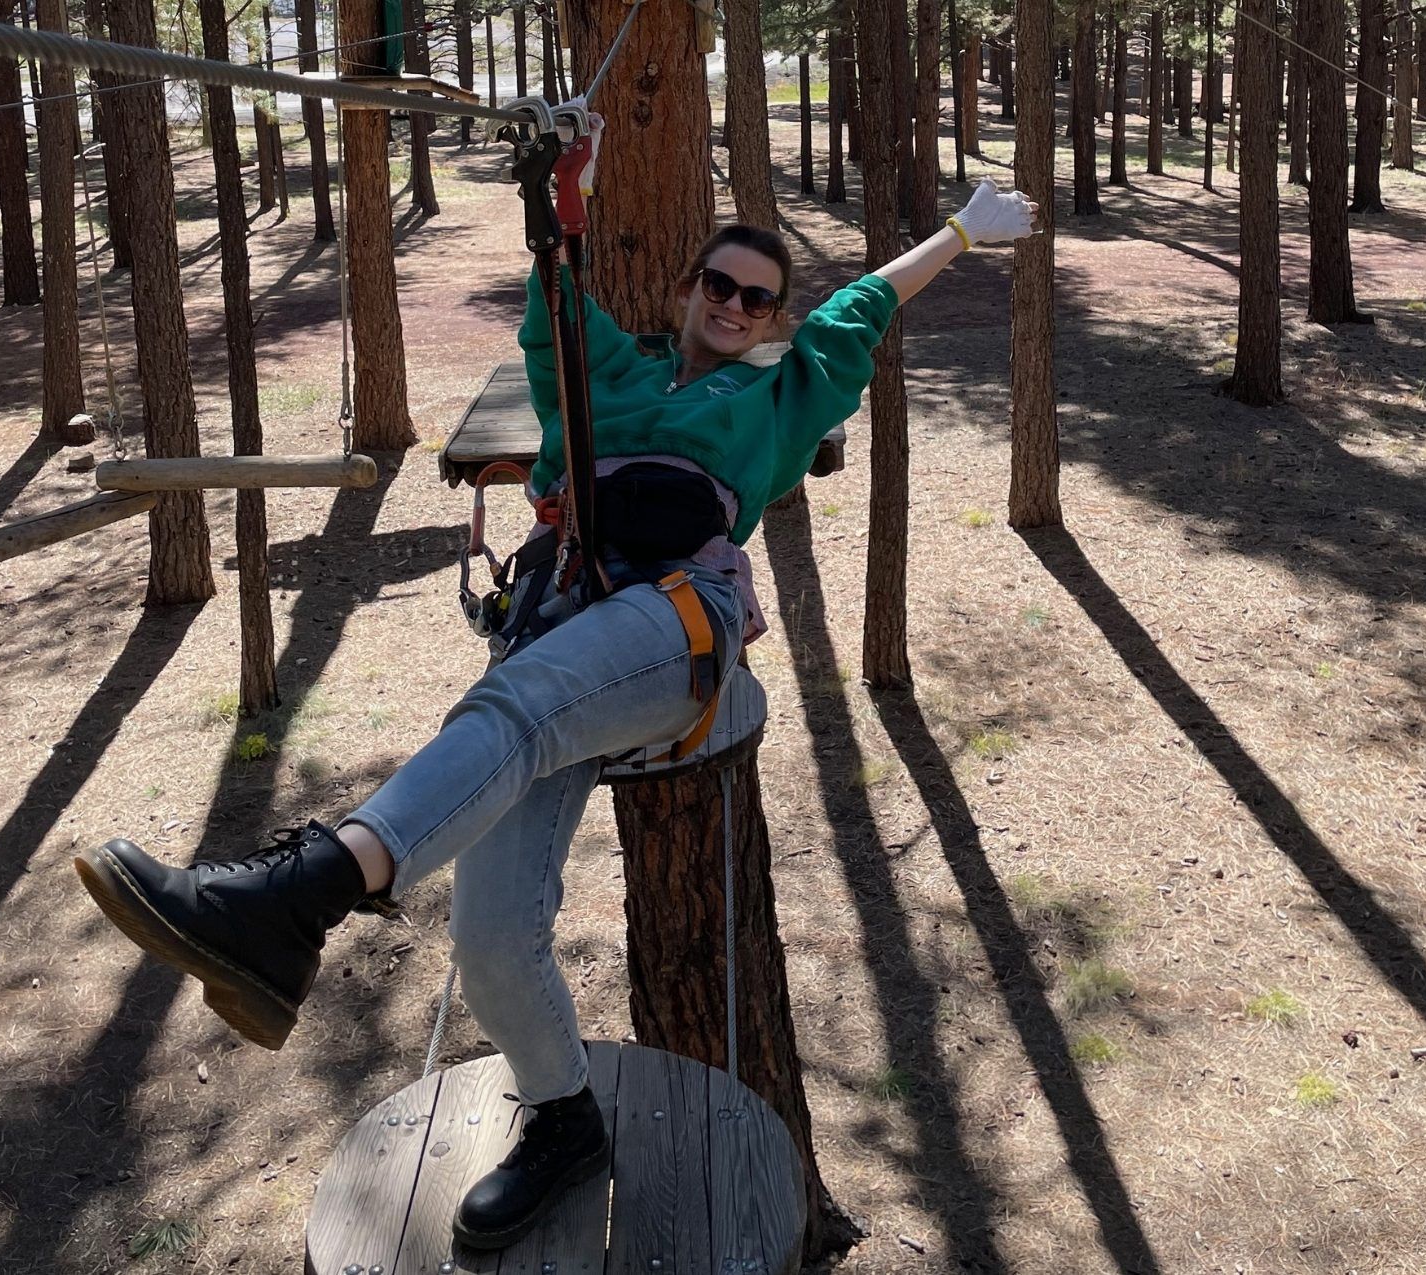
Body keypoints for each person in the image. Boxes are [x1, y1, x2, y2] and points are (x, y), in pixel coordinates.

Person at [73, 175, 1038, 1250]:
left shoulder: (783, 389)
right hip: (558, 625)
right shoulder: (608, 376)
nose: (734, 306)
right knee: (490, 937)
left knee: (513, 704)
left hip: (676, 626)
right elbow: (554, 296)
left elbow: (865, 303)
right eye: (718, 284)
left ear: (773, 320)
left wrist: (955, 231)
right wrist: (557, 189)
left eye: (757, 299)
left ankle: (296, 895)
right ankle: (566, 1120)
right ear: (685, 290)